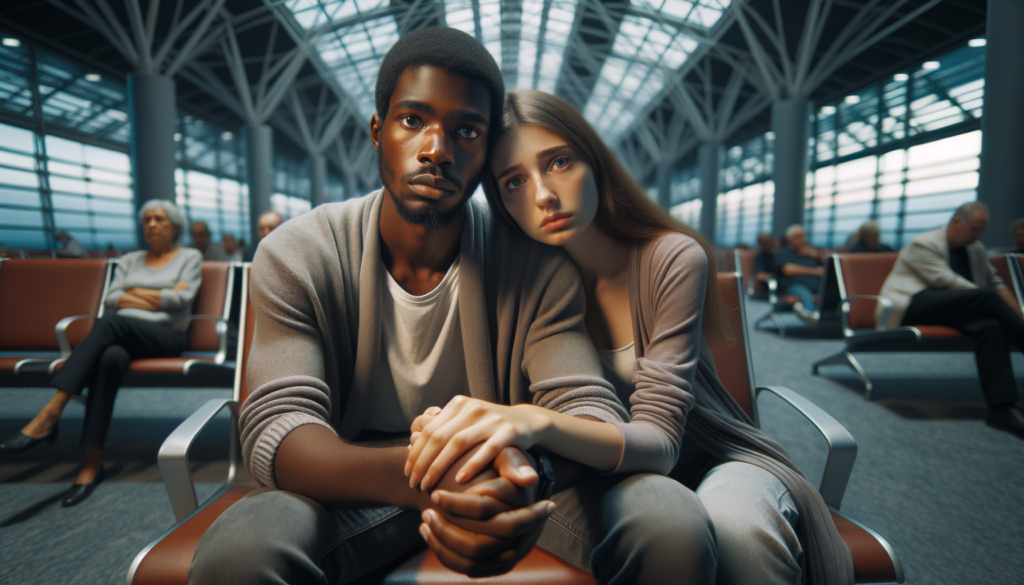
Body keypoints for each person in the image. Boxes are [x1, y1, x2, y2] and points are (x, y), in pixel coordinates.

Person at [190, 27, 716, 585]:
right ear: (378, 131)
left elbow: (589, 409)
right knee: (241, 553)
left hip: (506, 472)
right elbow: (281, 427)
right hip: (355, 477)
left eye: (466, 130)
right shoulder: (299, 253)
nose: (436, 150)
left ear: (487, 152)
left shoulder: (536, 264)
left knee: (669, 519)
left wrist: (525, 474)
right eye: (412, 120)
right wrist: (438, 479)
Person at [406, 88, 854, 585]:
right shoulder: (517, 281)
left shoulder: (671, 258)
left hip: (705, 459)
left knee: (735, 531)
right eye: (514, 182)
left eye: (558, 163)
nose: (542, 195)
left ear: (595, 162)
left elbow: (663, 442)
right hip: (591, 483)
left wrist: (534, 421)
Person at [0, 200, 202, 505]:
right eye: (147, 219)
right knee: (110, 358)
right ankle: (91, 465)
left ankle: (52, 409)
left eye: (160, 219)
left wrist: (133, 296)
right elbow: (112, 298)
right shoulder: (130, 260)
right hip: (122, 335)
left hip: (166, 336)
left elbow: (180, 298)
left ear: (175, 227)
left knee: (110, 323)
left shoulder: (189, 256)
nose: (152, 224)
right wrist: (157, 296)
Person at [879, 202, 1024, 439]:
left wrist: (1018, 312)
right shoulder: (924, 243)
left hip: (955, 308)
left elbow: (996, 283)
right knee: (986, 298)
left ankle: (1002, 410)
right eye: (973, 229)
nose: (977, 236)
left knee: (991, 326)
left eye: (981, 231)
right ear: (956, 221)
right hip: (914, 304)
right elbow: (950, 283)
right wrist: (985, 297)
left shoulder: (974, 249)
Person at [775, 224, 826, 325]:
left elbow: (826, 268)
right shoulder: (783, 252)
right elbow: (789, 270)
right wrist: (815, 271)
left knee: (831, 290)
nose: (802, 239)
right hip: (794, 284)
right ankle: (811, 318)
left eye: (803, 236)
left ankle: (831, 320)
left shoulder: (810, 252)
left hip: (815, 283)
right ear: (789, 238)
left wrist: (815, 255)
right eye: (798, 237)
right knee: (805, 295)